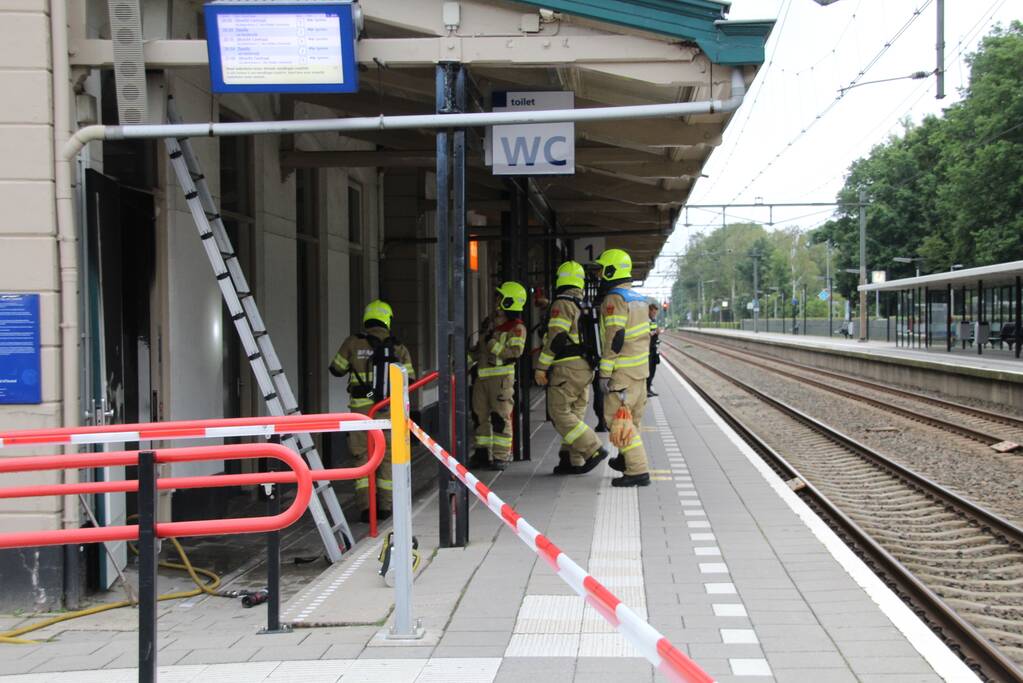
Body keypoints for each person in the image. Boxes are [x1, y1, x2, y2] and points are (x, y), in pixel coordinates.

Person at [329, 299, 415, 523]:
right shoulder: (398, 347)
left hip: (360, 413)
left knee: (362, 458)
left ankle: (367, 508)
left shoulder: (353, 343)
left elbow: (336, 369)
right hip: (387, 411)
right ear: (387, 320)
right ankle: (386, 508)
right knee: (386, 458)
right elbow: (411, 380)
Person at [534, 261, 609, 475]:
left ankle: (593, 449)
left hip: (567, 367)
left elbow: (557, 337)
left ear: (561, 279)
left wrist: (541, 367)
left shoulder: (562, 303)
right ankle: (571, 459)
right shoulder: (580, 302)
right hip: (585, 367)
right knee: (574, 414)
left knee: (558, 412)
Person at [595, 248, 651, 487]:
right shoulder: (638, 299)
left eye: (601, 269)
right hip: (640, 373)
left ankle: (638, 471)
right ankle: (625, 460)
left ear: (611, 270)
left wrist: (604, 373)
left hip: (622, 375)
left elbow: (614, 338)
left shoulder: (614, 300)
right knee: (633, 421)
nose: (599, 275)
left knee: (619, 422)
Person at [471, 281, 527, 471]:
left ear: (509, 302)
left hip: (501, 380)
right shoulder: (490, 324)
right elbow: (479, 350)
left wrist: (491, 341)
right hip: (482, 378)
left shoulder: (516, 328)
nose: (497, 301)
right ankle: (482, 452)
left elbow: (515, 352)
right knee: (480, 416)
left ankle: (501, 456)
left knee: (500, 418)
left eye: (501, 297)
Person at [647, 302, 661, 397]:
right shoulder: (646, 320)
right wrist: (655, 332)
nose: (654, 314)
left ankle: (648, 388)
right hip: (648, 349)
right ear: (649, 311)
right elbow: (646, 334)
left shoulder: (653, 320)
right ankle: (646, 389)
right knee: (649, 370)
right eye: (653, 312)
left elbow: (654, 332)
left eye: (656, 312)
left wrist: (657, 332)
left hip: (654, 348)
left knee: (653, 369)